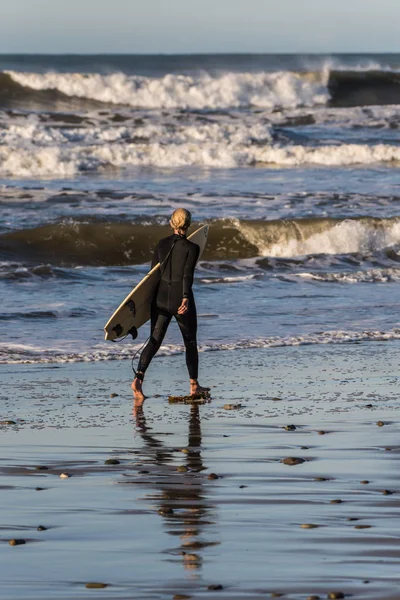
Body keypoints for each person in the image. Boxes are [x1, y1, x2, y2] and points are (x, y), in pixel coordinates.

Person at [132, 208, 209, 402]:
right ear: (189, 224)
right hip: (179, 300)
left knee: (154, 341)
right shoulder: (192, 248)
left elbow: (152, 276)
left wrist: (146, 303)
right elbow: (186, 275)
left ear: (171, 223)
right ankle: (194, 385)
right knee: (190, 341)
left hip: (160, 299)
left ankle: (138, 380)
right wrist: (185, 298)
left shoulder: (161, 244)